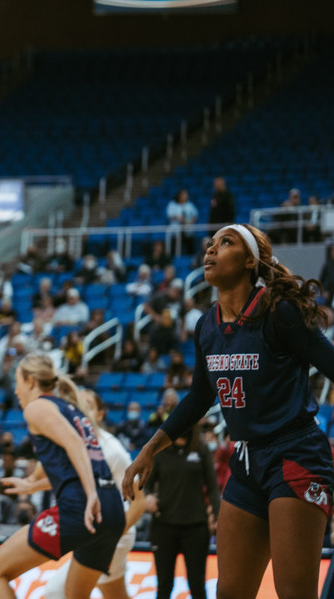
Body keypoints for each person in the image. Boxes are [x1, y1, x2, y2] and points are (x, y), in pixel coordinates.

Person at [123, 223, 334, 599]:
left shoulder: (280, 312)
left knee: (295, 593)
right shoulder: (207, 326)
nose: (210, 250)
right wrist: (148, 450)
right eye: (210, 243)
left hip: (296, 455)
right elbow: (198, 397)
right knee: (230, 592)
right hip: (247, 460)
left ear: (250, 260)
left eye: (225, 242)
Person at [0, 355, 125, 599]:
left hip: (84, 508)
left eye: (18, 382)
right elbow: (75, 466)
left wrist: (90, 494)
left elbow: (75, 444)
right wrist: (31, 485)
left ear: (32, 381)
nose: (15, 390)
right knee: (75, 595)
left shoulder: (38, 407)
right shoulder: (71, 408)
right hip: (112, 510)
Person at [42, 390, 147, 599]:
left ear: (99, 415)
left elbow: (139, 503)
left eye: (87, 404)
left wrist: (112, 534)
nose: (79, 408)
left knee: (58, 592)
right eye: (75, 403)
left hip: (115, 531)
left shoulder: (112, 449)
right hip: (94, 531)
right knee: (114, 593)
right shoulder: (73, 445)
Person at [144, 426, 220, 599]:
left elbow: (213, 487)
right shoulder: (161, 451)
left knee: (197, 585)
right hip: (164, 526)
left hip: (196, 527)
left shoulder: (201, 449)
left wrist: (217, 516)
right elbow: (146, 484)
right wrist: (148, 498)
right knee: (164, 585)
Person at [166, 189, 199, 255]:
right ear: (179, 195)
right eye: (183, 194)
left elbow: (195, 215)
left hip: (188, 230)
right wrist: (178, 217)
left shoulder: (189, 205)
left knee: (189, 247)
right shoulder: (172, 204)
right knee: (175, 247)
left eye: (186, 195)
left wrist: (191, 221)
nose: (185, 196)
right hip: (176, 231)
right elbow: (169, 215)